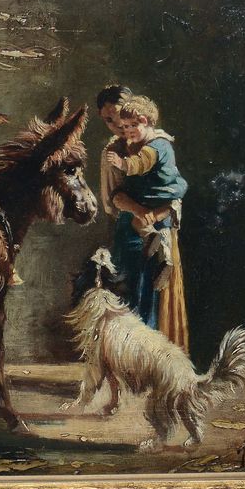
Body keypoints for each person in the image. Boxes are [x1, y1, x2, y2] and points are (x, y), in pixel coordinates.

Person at [100, 91, 190, 351]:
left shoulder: (154, 145)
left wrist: (124, 165)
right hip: (133, 224)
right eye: (113, 122)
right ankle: (128, 351)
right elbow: (113, 199)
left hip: (158, 215)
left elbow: (173, 185)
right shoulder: (116, 148)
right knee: (126, 284)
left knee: (148, 288)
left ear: (144, 120)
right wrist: (138, 210)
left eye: (129, 124)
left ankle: (148, 351)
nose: (123, 129)